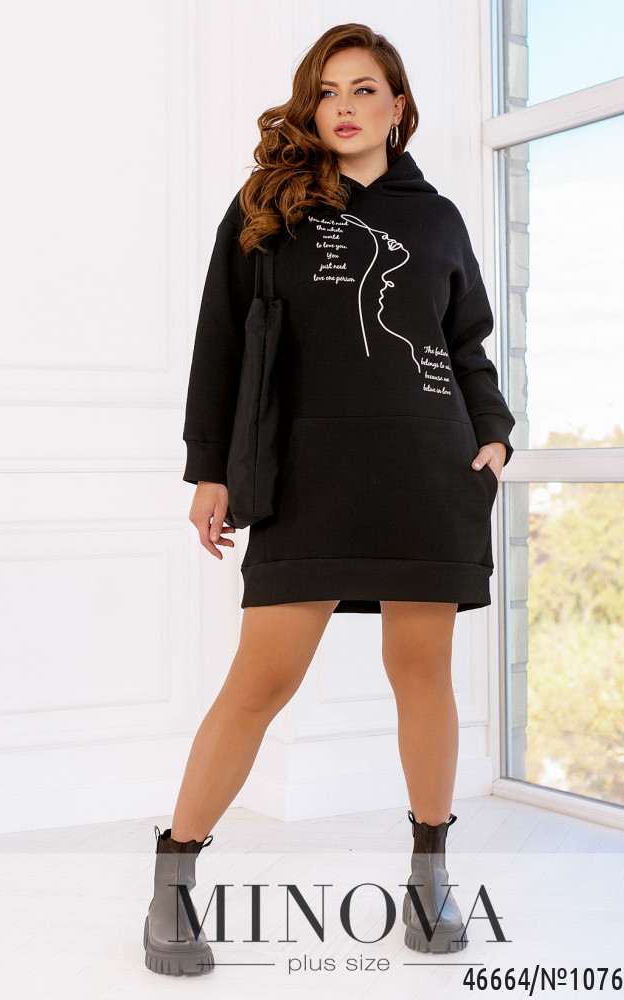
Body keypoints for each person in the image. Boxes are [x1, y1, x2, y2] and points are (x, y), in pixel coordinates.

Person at [143, 22, 515, 977]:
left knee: (423, 672)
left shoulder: (437, 219)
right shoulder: (267, 206)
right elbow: (220, 341)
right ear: (311, 107)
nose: (344, 107)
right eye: (327, 91)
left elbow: (466, 342)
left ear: (398, 105)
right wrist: (210, 468)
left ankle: (430, 877)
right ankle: (173, 882)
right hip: (306, 472)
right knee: (261, 681)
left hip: (427, 471)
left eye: (364, 89)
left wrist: (493, 432)